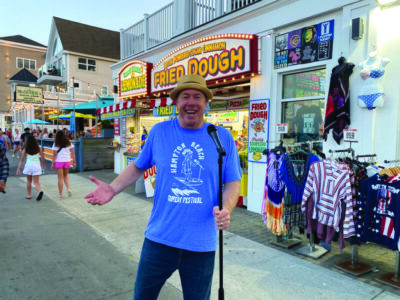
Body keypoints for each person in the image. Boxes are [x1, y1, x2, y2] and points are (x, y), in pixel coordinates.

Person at [85, 74, 241, 300]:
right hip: (159, 240)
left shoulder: (221, 137)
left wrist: (227, 208)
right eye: (185, 96)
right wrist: (112, 188)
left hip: (201, 245)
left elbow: (233, 181)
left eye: (197, 96)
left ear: (206, 103)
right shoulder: (159, 133)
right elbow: (138, 167)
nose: (191, 102)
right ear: (176, 102)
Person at [16, 135, 45, 201]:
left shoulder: (25, 149)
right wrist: (43, 165)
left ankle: (29, 195)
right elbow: (43, 158)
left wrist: (18, 168)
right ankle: (40, 191)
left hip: (28, 165)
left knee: (29, 181)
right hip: (36, 165)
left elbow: (22, 160)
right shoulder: (38, 148)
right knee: (36, 182)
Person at [51, 130, 76, 198]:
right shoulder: (68, 142)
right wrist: (74, 161)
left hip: (59, 161)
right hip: (67, 161)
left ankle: (60, 194)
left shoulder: (55, 144)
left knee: (60, 178)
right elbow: (73, 152)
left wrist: (53, 163)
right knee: (65, 176)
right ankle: (68, 189)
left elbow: (54, 155)